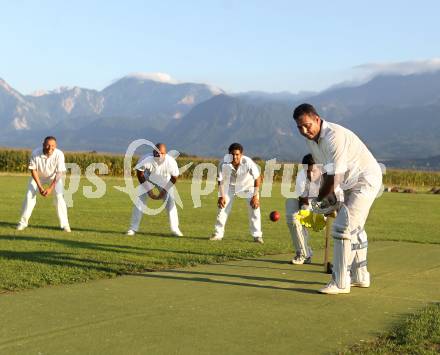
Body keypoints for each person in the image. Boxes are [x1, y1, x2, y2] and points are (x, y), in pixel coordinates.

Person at [293, 103, 382, 295]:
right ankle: (360, 275)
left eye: (307, 125)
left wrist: (317, 202)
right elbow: (326, 172)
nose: (304, 130)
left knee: (343, 227)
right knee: (356, 228)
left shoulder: (334, 136)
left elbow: (336, 178)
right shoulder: (312, 141)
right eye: (299, 127)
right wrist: (330, 199)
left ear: (317, 119)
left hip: (365, 179)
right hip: (349, 183)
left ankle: (340, 281)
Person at [210, 143, 263, 243]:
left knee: (255, 208)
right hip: (230, 186)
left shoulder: (248, 162)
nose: (235, 157)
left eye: (237, 154)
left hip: (248, 186)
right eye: (232, 154)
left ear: (241, 154)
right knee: (222, 208)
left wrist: (255, 196)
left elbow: (257, 178)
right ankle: (218, 234)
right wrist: (221, 196)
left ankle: (257, 236)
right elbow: (220, 180)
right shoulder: (223, 163)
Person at [126, 143, 183, 237]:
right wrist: (149, 190)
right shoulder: (145, 159)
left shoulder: (171, 162)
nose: (159, 155)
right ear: (153, 153)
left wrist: (164, 191)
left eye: (162, 153)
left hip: (164, 180)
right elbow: (140, 175)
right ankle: (132, 228)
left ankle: (175, 229)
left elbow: (174, 178)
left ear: (166, 153)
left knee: (171, 202)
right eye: (157, 153)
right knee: (139, 202)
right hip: (148, 178)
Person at [17, 136, 71, 232]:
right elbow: (33, 170)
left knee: (59, 197)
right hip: (38, 177)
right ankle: (22, 223)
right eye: (48, 145)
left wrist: (50, 188)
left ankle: (65, 225)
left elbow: (59, 173)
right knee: (29, 195)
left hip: (54, 178)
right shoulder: (35, 153)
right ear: (43, 145)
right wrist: (40, 187)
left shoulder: (59, 154)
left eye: (53, 146)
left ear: (56, 146)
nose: (50, 148)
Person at [285, 154, 320, 264]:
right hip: (306, 204)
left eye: (312, 171)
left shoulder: (327, 175)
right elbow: (303, 199)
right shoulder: (301, 175)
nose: (309, 174)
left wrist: (325, 213)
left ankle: (345, 262)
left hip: (323, 206)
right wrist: (305, 215)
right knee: (291, 208)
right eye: (307, 171)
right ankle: (303, 254)